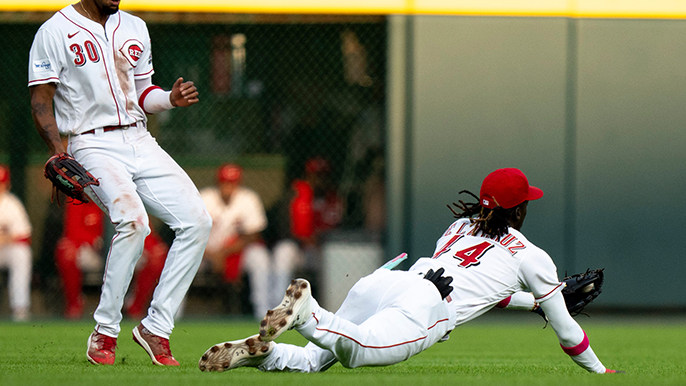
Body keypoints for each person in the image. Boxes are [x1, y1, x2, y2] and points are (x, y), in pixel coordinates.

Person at [198, 168, 622, 374]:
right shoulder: (532, 257)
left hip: (388, 281)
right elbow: (569, 335)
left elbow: (489, 289)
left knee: (315, 361)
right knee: (357, 351)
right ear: (521, 208)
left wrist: (534, 303)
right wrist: (602, 371)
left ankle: (260, 354)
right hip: (425, 307)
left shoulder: (459, 225)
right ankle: (309, 314)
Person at [28, 0, 212, 366]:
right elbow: (40, 97)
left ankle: (156, 327)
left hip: (139, 138)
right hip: (90, 140)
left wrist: (169, 100)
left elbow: (143, 94)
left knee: (198, 221)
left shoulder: (134, 26)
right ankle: (105, 331)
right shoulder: (55, 30)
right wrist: (57, 150)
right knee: (133, 220)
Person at [55, 200, 170, 320]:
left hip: (125, 252)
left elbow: (144, 232)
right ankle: (75, 304)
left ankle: (134, 306)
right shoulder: (80, 193)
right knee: (66, 250)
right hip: (94, 252)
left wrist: (148, 247)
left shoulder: (128, 197)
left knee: (157, 254)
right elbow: (72, 230)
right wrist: (94, 240)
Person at [200, 163, 272, 319]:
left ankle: (263, 313)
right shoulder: (204, 197)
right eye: (224, 182)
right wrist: (212, 255)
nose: (227, 187)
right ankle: (174, 315)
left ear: (239, 183)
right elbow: (191, 234)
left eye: (232, 183)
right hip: (204, 253)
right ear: (217, 182)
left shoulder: (248, 198)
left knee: (259, 256)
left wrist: (222, 253)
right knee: (183, 260)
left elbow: (253, 235)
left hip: (236, 252)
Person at [271, 156, 344, 300]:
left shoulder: (334, 199)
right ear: (308, 176)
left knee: (335, 257)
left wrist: (320, 243)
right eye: (316, 176)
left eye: (324, 176)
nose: (320, 180)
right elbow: (284, 229)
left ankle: (332, 302)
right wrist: (305, 240)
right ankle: (277, 305)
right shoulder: (295, 195)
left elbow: (338, 230)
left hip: (323, 250)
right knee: (283, 251)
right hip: (299, 248)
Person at [0, 165, 32, 322]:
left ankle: (20, 308)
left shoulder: (12, 204)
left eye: (2, 183)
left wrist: (4, 239)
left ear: (7, 184)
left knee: (21, 253)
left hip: (6, 250)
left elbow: (24, 236)